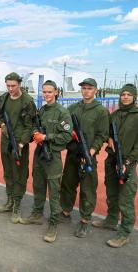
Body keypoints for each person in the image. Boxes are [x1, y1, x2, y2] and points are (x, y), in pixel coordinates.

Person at [21, 80, 72, 243]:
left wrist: (46, 137)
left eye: (50, 92)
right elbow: (36, 126)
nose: (46, 95)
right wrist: (36, 132)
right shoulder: (42, 110)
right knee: (38, 186)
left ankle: (53, 223)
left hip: (53, 157)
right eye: (44, 92)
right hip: (39, 156)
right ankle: (37, 214)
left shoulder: (62, 113)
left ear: (56, 92)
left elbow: (67, 136)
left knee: (54, 192)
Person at [60, 78, 109, 238]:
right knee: (67, 183)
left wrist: (91, 152)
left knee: (87, 189)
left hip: (88, 156)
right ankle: (65, 212)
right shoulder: (73, 107)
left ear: (96, 90)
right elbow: (65, 125)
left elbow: (102, 134)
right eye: (84, 88)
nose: (86, 91)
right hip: (72, 153)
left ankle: (85, 220)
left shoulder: (101, 111)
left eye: (89, 88)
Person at [92, 84, 138, 248]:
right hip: (112, 160)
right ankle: (111, 221)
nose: (125, 97)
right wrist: (108, 139)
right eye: (123, 94)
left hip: (127, 163)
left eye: (128, 94)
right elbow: (107, 133)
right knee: (111, 193)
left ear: (134, 97)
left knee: (125, 199)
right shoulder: (115, 114)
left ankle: (124, 233)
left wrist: (128, 161)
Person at [0, 72, 36, 224]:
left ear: (19, 84)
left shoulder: (27, 101)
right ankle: (9, 201)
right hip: (6, 142)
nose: (11, 89)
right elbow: (0, 115)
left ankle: (17, 206)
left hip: (19, 144)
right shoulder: (4, 97)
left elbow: (30, 126)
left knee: (20, 174)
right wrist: (2, 124)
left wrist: (22, 143)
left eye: (13, 86)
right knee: (8, 172)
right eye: (8, 85)